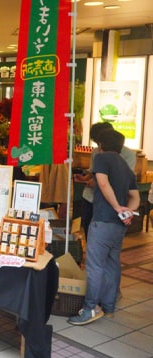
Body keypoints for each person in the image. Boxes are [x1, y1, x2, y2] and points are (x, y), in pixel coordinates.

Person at [68, 129, 139, 326]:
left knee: (94, 266)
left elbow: (103, 183)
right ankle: (108, 306)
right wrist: (128, 213)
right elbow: (135, 197)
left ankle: (90, 308)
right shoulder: (125, 166)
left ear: (101, 144)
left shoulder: (101, 158)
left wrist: (117, 207)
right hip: (118, 226)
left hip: (103, 220)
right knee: (112, 263)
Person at [74, 122, 136, 239]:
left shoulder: (128, 155)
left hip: (110, 203)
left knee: (107, 235)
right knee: (89, 229)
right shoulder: (96, 152)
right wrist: (85, 177)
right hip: (90, 198)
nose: (99, 146)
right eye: (97, 143)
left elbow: (115, 181)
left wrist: (96, 183)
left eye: (100, 142)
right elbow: (93, 172)